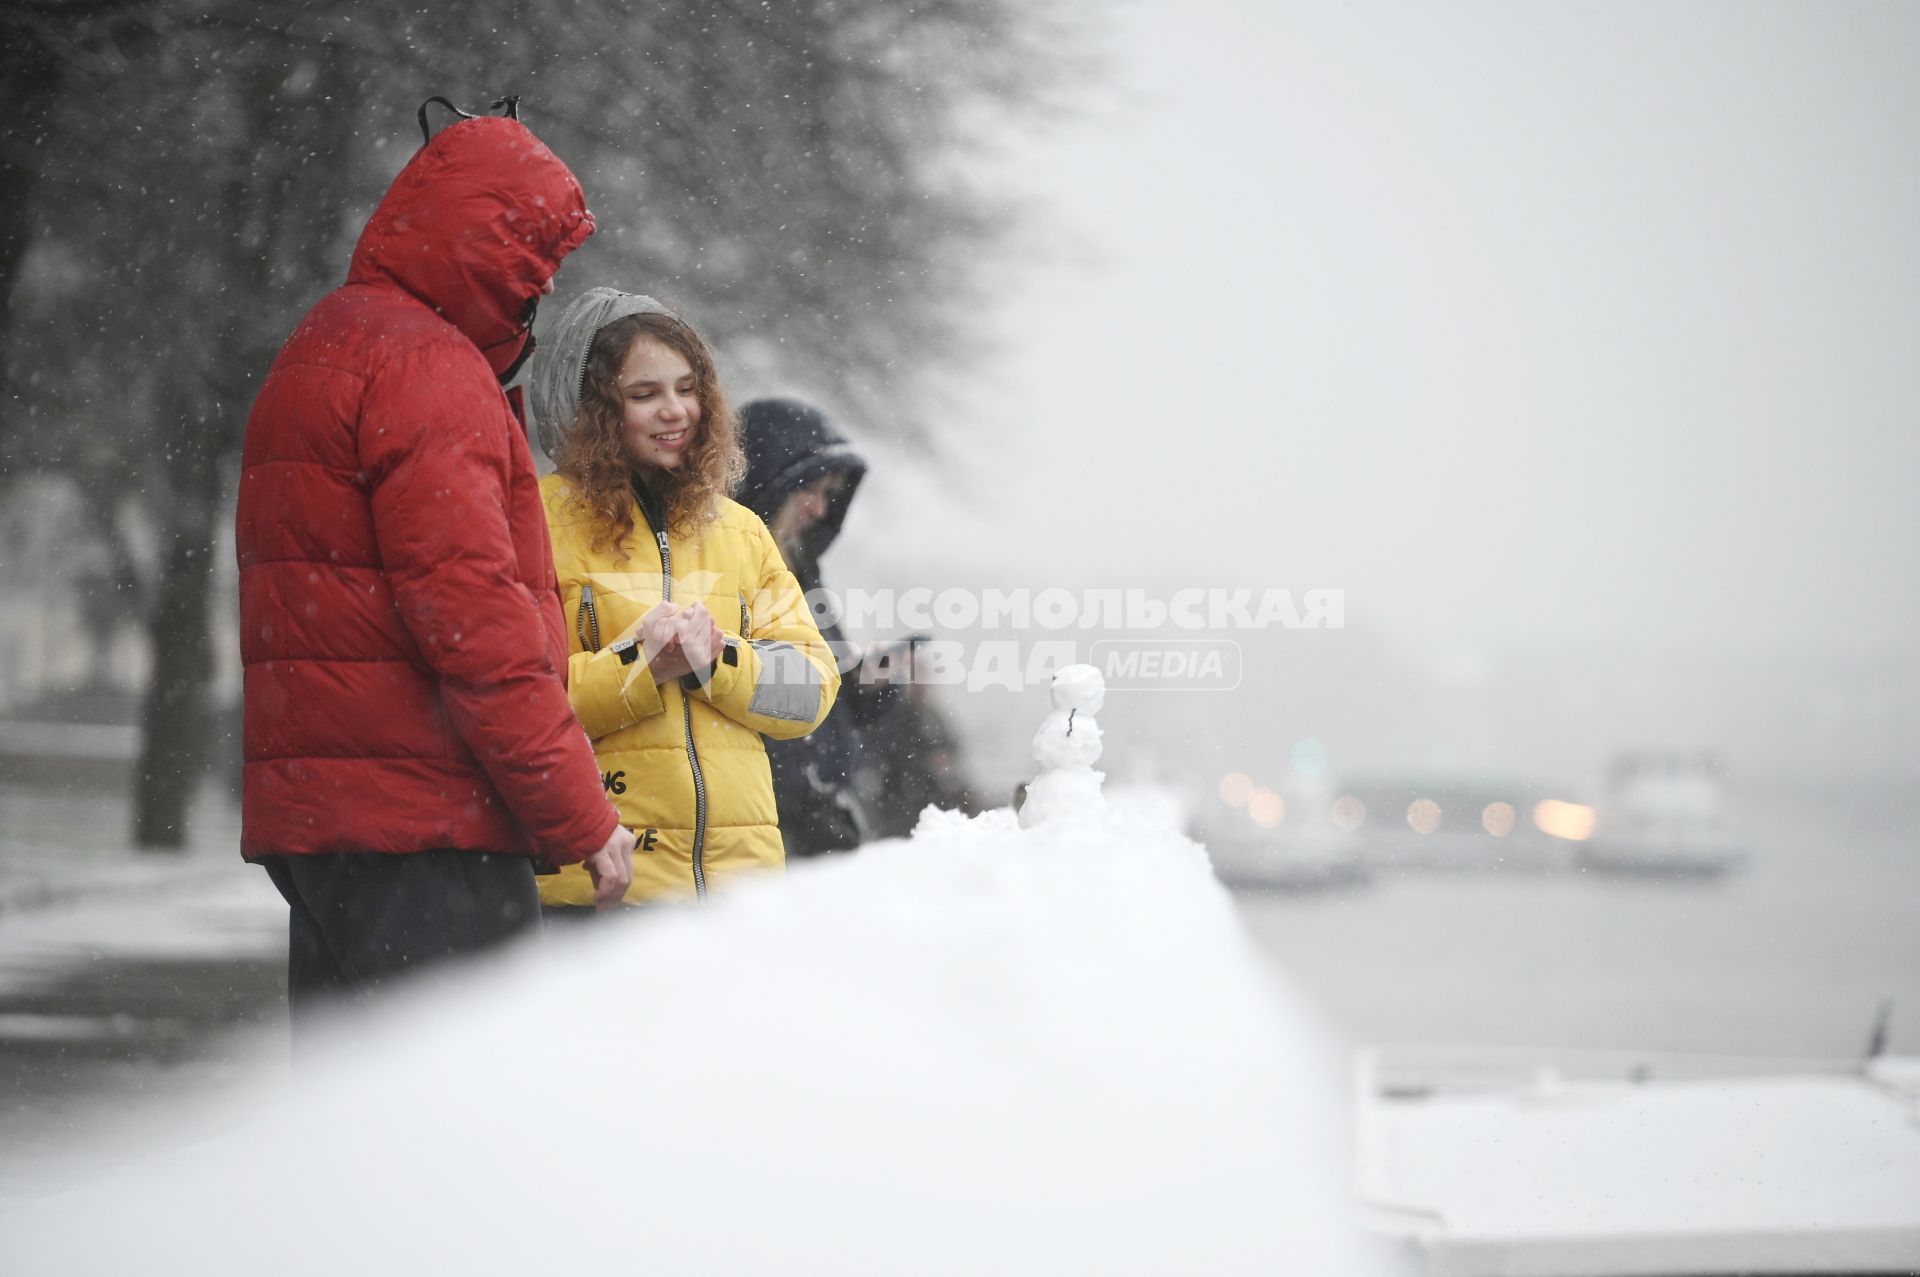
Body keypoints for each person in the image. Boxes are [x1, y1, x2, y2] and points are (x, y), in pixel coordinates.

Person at [235, 109, 634, 1032]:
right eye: (536, 258)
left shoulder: (324, 344)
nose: (545, 286)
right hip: (428, 823)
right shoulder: (430, 370)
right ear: (486, 251)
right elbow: (476, 627)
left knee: (352, 1105)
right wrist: (580, 814)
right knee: (463, 1106)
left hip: (327, 822)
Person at [529, 291, 839, 910]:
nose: (675, 411)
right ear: (589, 408)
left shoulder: (741, 530)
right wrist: (640, 667)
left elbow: (811, 692)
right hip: (598, 892)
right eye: (644, 394)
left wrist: (716, 662)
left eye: (688, 388)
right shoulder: (531, 522)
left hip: (740, 899)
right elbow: (508, 703)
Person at [735, 398, 892, 856]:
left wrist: (865, 690)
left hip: (820, 819)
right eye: (810, 489)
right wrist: (800, 805)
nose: (820, 508)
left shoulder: (802, 571)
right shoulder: (729, 574)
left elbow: (821, 685)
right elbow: (749, 697)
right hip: (769, 832)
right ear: (768, 482)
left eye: (829, 493)